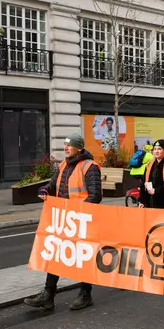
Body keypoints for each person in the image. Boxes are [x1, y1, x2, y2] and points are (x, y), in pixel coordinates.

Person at [24, 133, 102, 311]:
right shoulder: (62, 165)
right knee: (56, 254)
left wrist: (77, 212)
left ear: (79, 148)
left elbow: (95, 195)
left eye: (69, 145)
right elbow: (52, 186)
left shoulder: (90, 167)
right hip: (65, 220)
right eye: (65, 145)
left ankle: (85, 294)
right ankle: (48, 295)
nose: (65, 147)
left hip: (83, 221)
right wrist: (44, 189)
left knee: (83, 257)